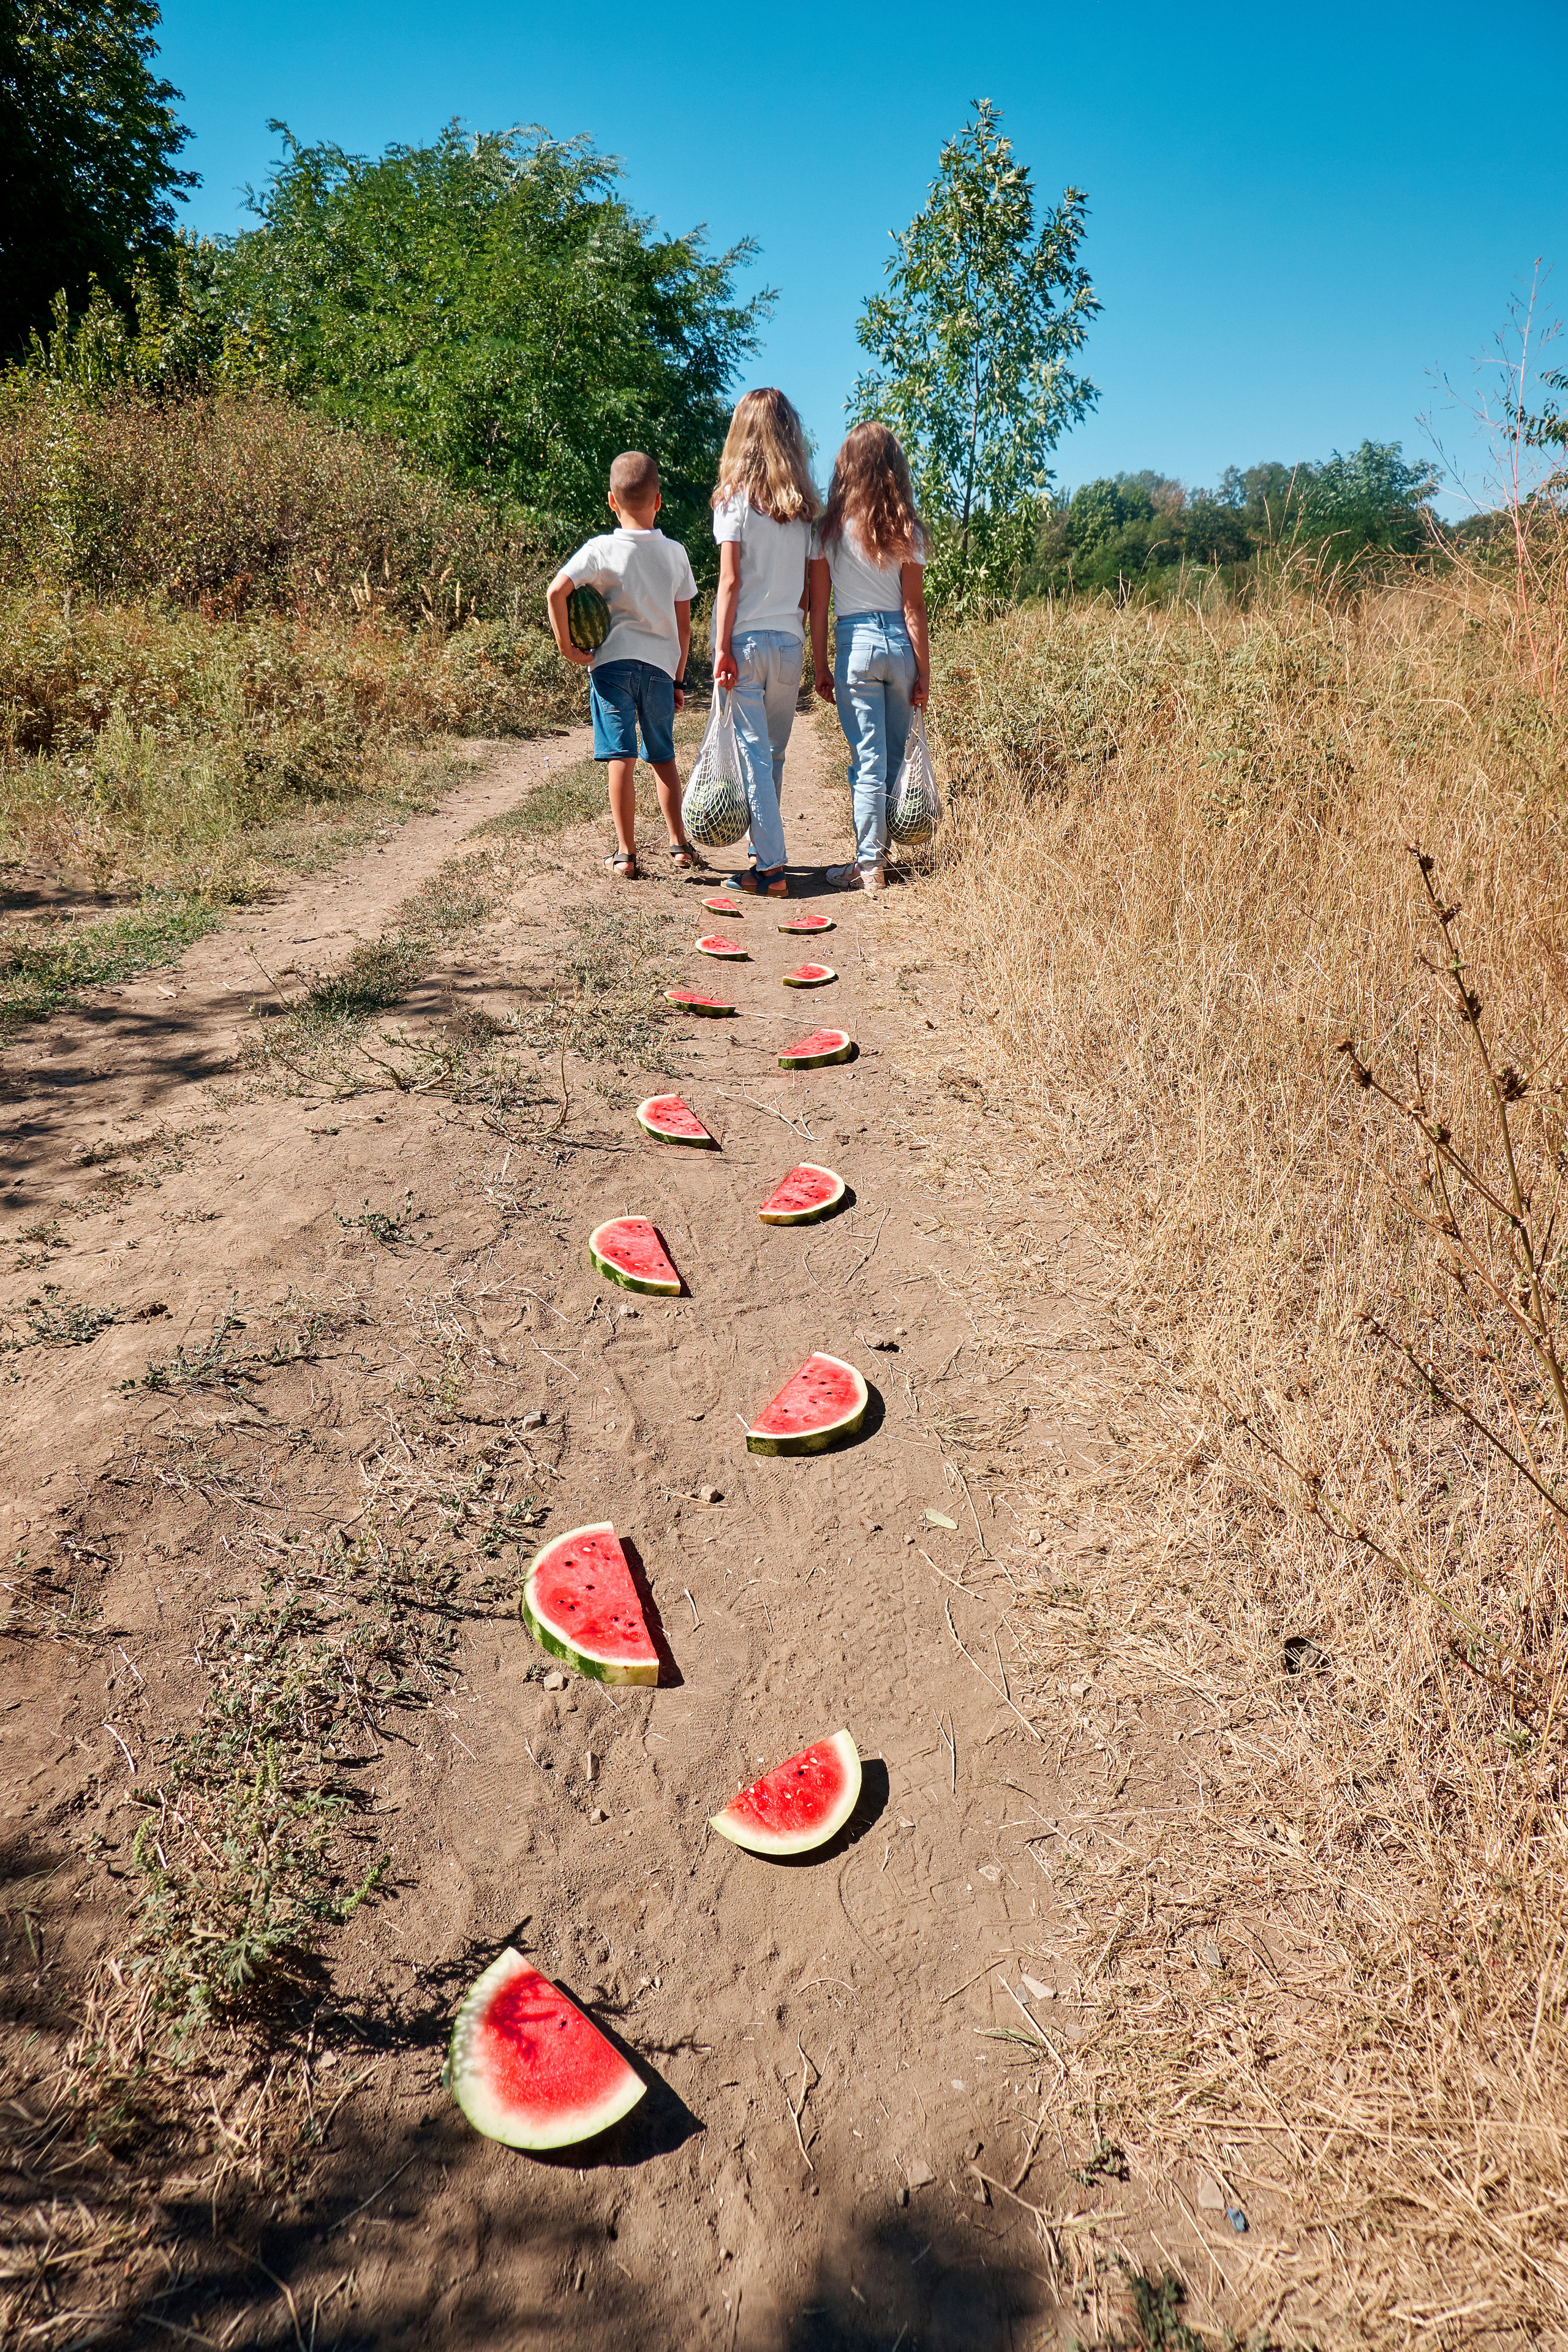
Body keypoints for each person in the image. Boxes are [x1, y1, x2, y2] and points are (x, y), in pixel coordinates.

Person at [546, 451, 698, 880]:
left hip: (611, 666)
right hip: (659, 669)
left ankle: (626, 855)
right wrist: (679, 679)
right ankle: (680, 846)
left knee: (622, 759)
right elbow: (683, 628)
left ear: (612, 501)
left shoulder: (600, 549)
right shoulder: (675, 553)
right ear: (659, 502)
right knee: (662, 756)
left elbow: (556, 592)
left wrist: (567, 647)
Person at [809, 423, 930, 896]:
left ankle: (869, 865)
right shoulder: (907, 528)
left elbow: (818, 605)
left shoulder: (829, 531)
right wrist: (924, 672)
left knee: (868, 759)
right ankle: (883, 853)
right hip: (900, 645)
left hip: (855, 643)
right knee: (896, 756)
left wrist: (820, 665)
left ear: (846, 468)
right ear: (894, 469)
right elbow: (914, 607)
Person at [710, 388, 818, 899]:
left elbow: (729, 582)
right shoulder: (802, 509)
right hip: (790, 644)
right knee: (771, 756)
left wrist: (720, 647)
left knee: (754, 755)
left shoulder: (733, 500)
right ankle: (762, 854)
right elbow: (809, 583)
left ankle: (771, 868)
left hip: (748, 642)